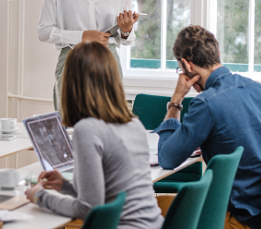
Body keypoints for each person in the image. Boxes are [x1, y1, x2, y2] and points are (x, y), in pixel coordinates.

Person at [25, 41, 163, 229]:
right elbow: (108, 194)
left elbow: (88, 208)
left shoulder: (87, 130)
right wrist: (65, 186)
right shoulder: (135, 124)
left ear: (72, 84)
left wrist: (40, 197)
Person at [154, 25, 261, 229]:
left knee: (148, 210)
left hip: (235, 219)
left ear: (187, 65)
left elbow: (167, 159)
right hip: (257, 211)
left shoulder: (206, 103)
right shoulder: (258, 89)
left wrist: (176, 100)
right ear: (217, 52)